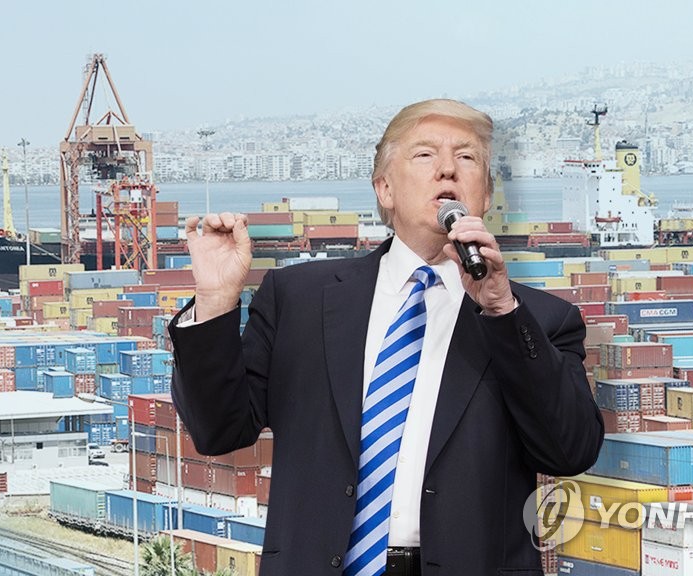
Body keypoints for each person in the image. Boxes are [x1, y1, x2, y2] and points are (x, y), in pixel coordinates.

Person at [169, 99, 604, 576]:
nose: (447, 169)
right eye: (425, 154)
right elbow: (219, 430)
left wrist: (501, 311)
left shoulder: (538, 320)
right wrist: (214, 301)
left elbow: (569, 451)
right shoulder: (298, 299)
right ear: (385, 189)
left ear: (485, 196)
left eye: (466, 157)